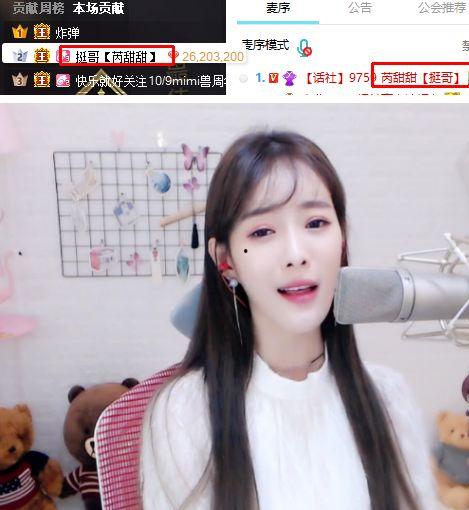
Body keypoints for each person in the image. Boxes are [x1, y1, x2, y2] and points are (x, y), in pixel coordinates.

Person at [139, 130, 439, 510]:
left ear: (342, 239)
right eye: (263, 231)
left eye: (315, 224)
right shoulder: (185, 413)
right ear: (226, 261)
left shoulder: (388, 398)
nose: (296, 254)